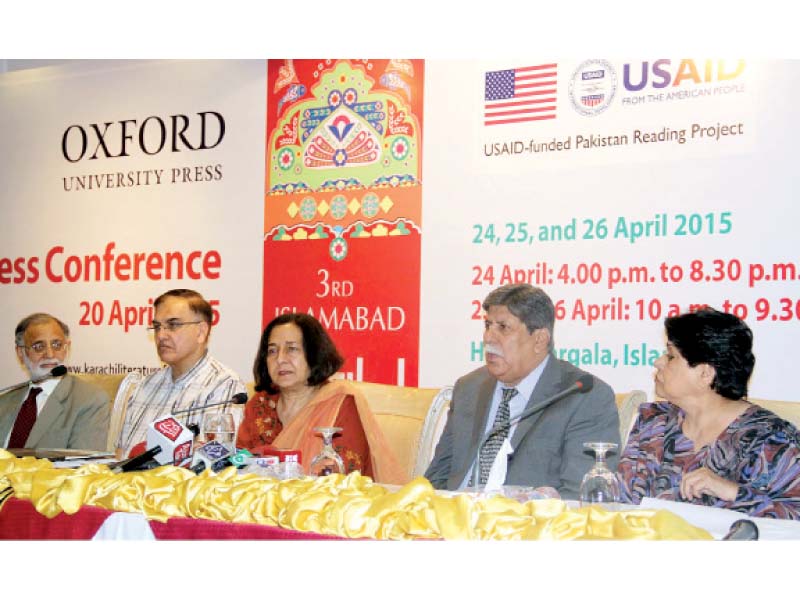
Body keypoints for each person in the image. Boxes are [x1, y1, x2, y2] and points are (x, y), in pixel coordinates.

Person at [425, 284, 620, 498]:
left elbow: (580, 495)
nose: (489, 338)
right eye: (487, 325)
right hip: (453, 521)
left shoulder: (584, 397)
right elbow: (436, 478)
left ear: (539, 340)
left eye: (503, 327)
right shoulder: (469, 387)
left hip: (526, 524)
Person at [618, 308, 800, 519]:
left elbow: (795, 515)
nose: (658, 362)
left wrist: (733, 492)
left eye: (670, 356)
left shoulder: (770, 439)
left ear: (705, 374)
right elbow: (622, 502)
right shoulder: (653, 421)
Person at [236, 313, 405, 484]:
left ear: (314, 354)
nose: (280, 359)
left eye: (291, 349)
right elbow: (239, 461)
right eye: (272, 351)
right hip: (263, 503)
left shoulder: (339, 402)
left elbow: (346, 474)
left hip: (325, 504)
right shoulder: (261, 405)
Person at [117, 289, 246, 456]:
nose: (161, 335)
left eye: (173, 325)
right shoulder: (144, 385)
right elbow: (121, 453)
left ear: (201, 332)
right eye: (157, 327)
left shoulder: (224, 385)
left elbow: (215, 460)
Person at [0, 313, 109, 450]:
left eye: (57, 345)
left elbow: (83, 468)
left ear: (67, 348)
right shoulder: (4, 401)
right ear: (21, 353)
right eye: (39, 347)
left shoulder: (90, 400)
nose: (50, 354)